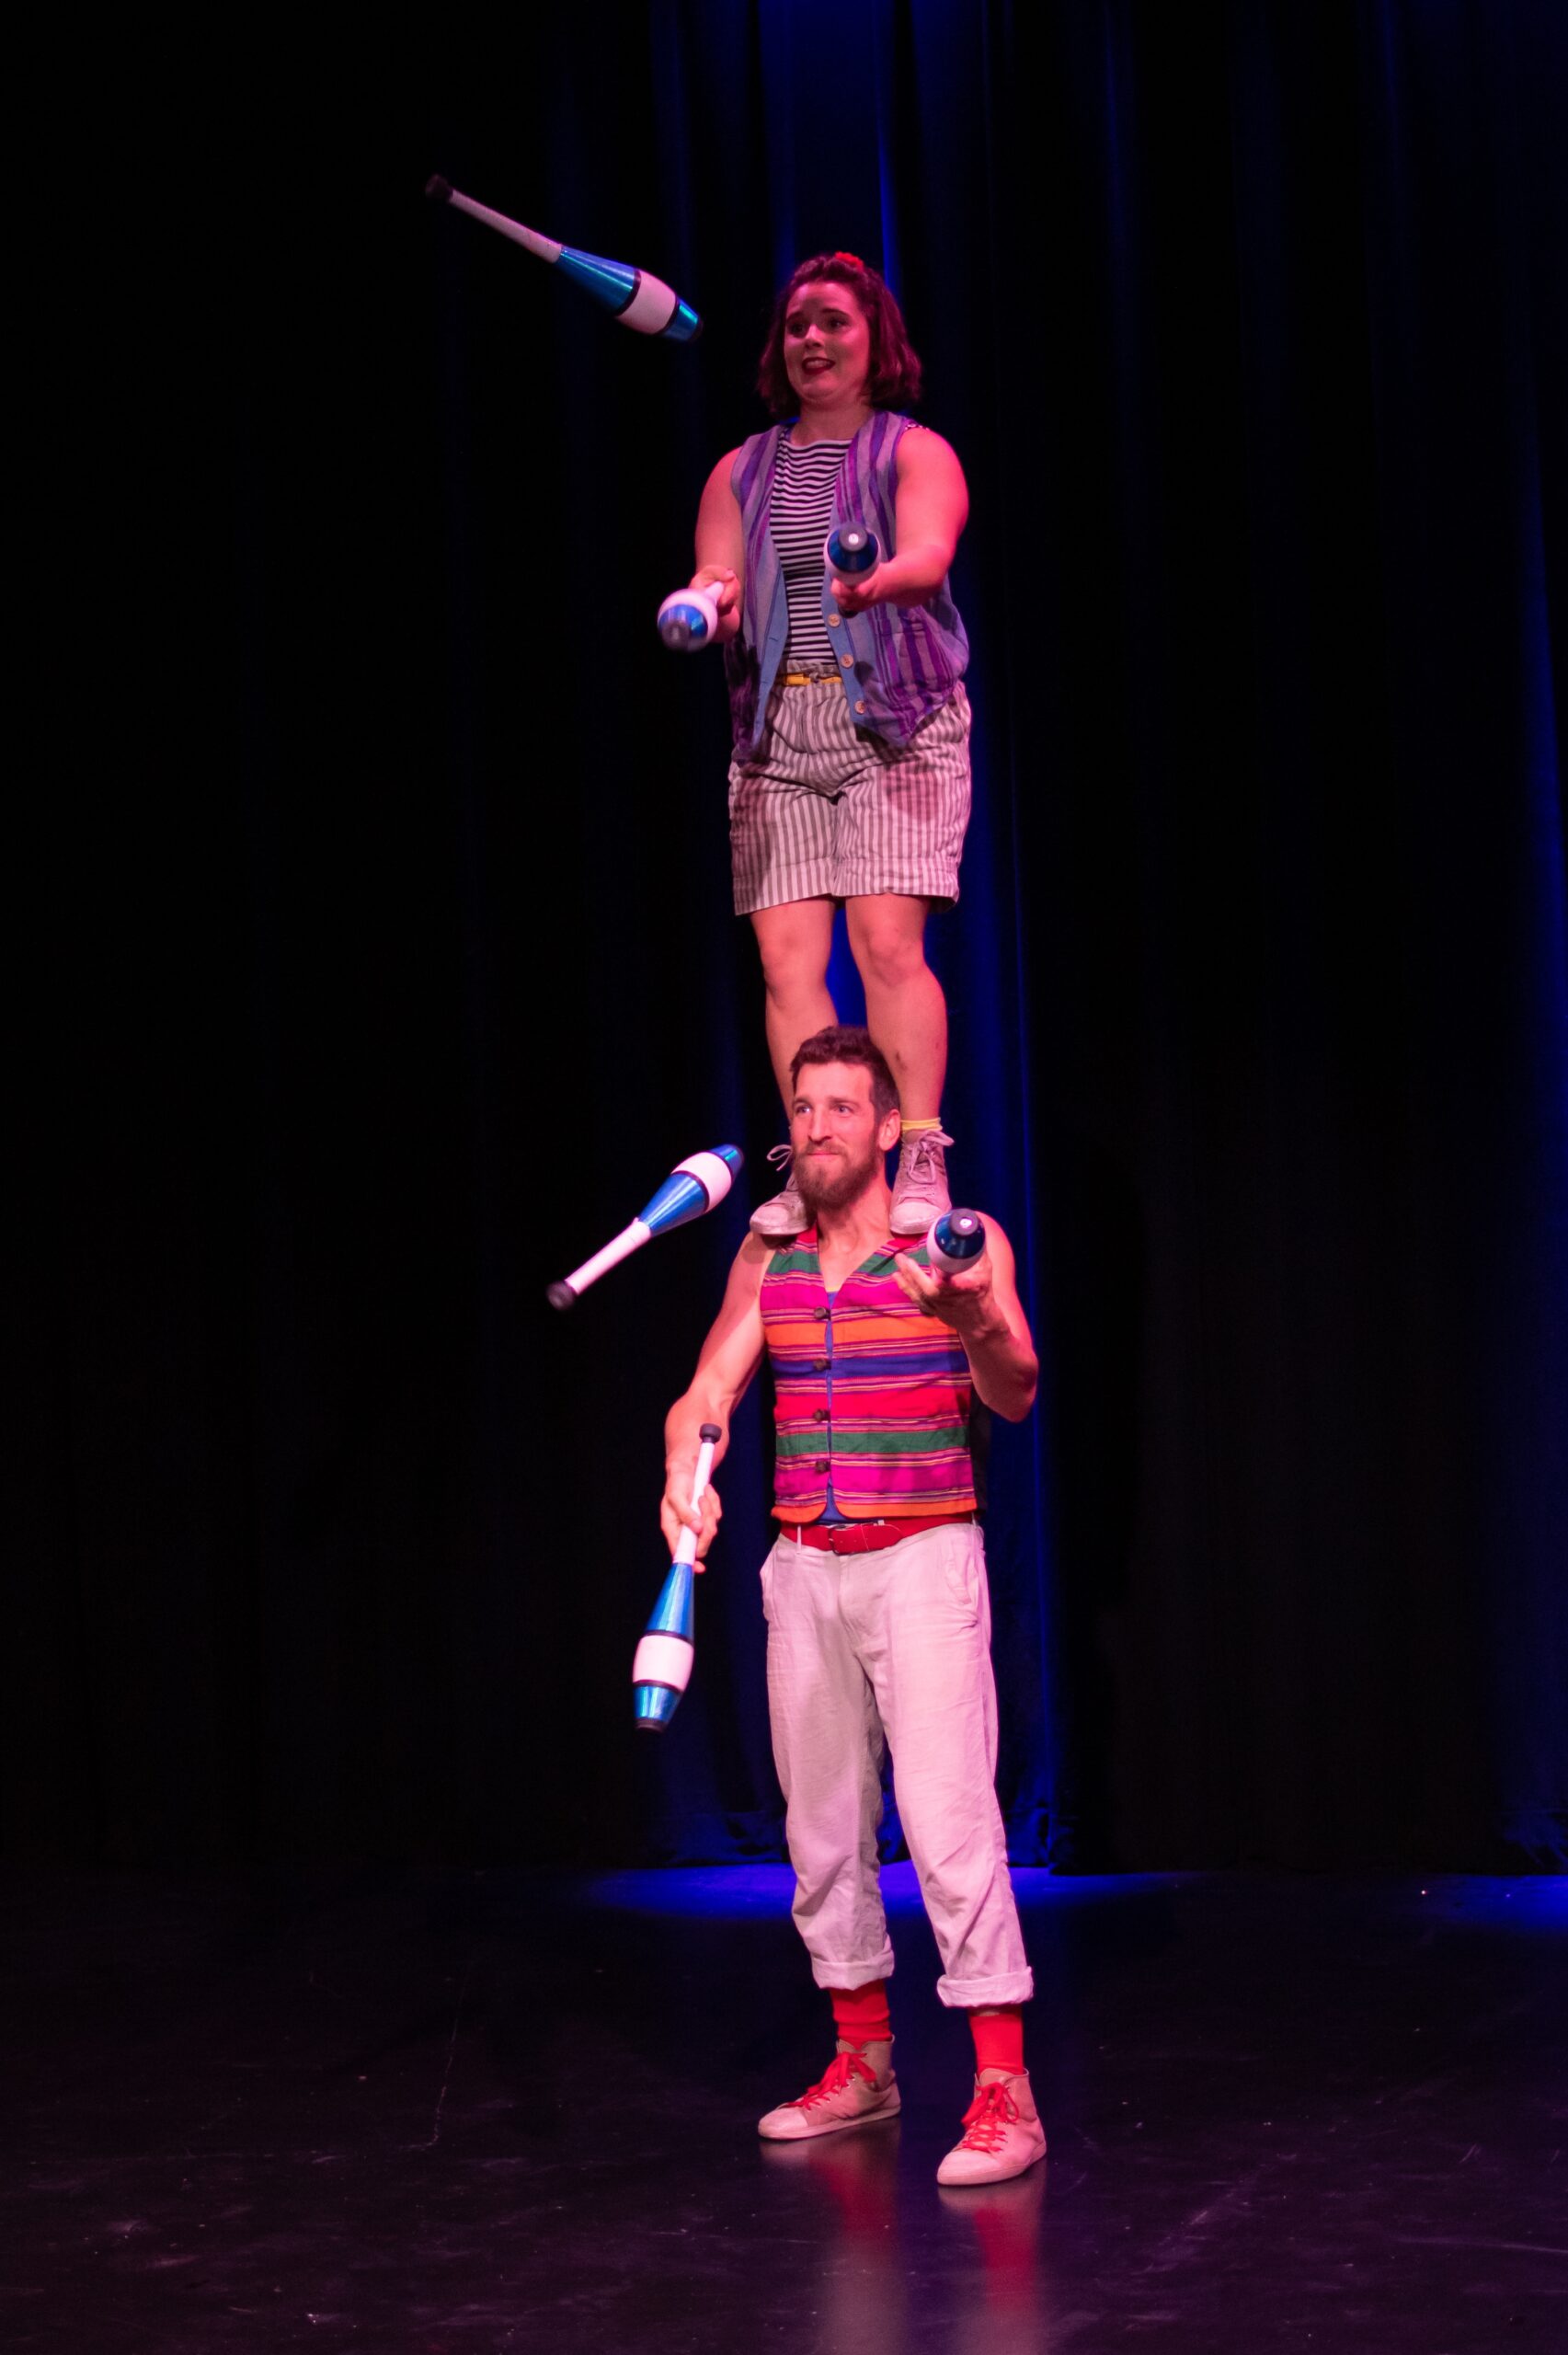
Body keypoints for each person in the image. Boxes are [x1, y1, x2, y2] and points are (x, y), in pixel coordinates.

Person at [659, 1024, 1046, 2187]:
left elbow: (1017, 1390)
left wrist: (971, 1312)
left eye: (842, 1108)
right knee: (821, 1832)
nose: (819, 1127)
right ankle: (863, 2064)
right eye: (805, 1107)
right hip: (801, 1567)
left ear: (888, 1128)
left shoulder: (954, 1241)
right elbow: (706, 1395)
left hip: (922, 1557)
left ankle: (1001, 2092)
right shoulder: (766, 1256)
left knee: (947, 1823)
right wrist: (686, 1476)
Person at [686, 253, 973, 1242]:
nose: (813, 340)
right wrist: (708, 604)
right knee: (784, 962)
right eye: (797, 325)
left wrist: (876, 583)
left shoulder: (914, 451)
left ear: (873, 340)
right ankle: (819, 1155)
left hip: (896, 725)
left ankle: (921, 1149)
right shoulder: (739, 470)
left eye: (834, 323)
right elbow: (717, 574)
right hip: (779, 734)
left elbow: (928, 555)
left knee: (886, 945)